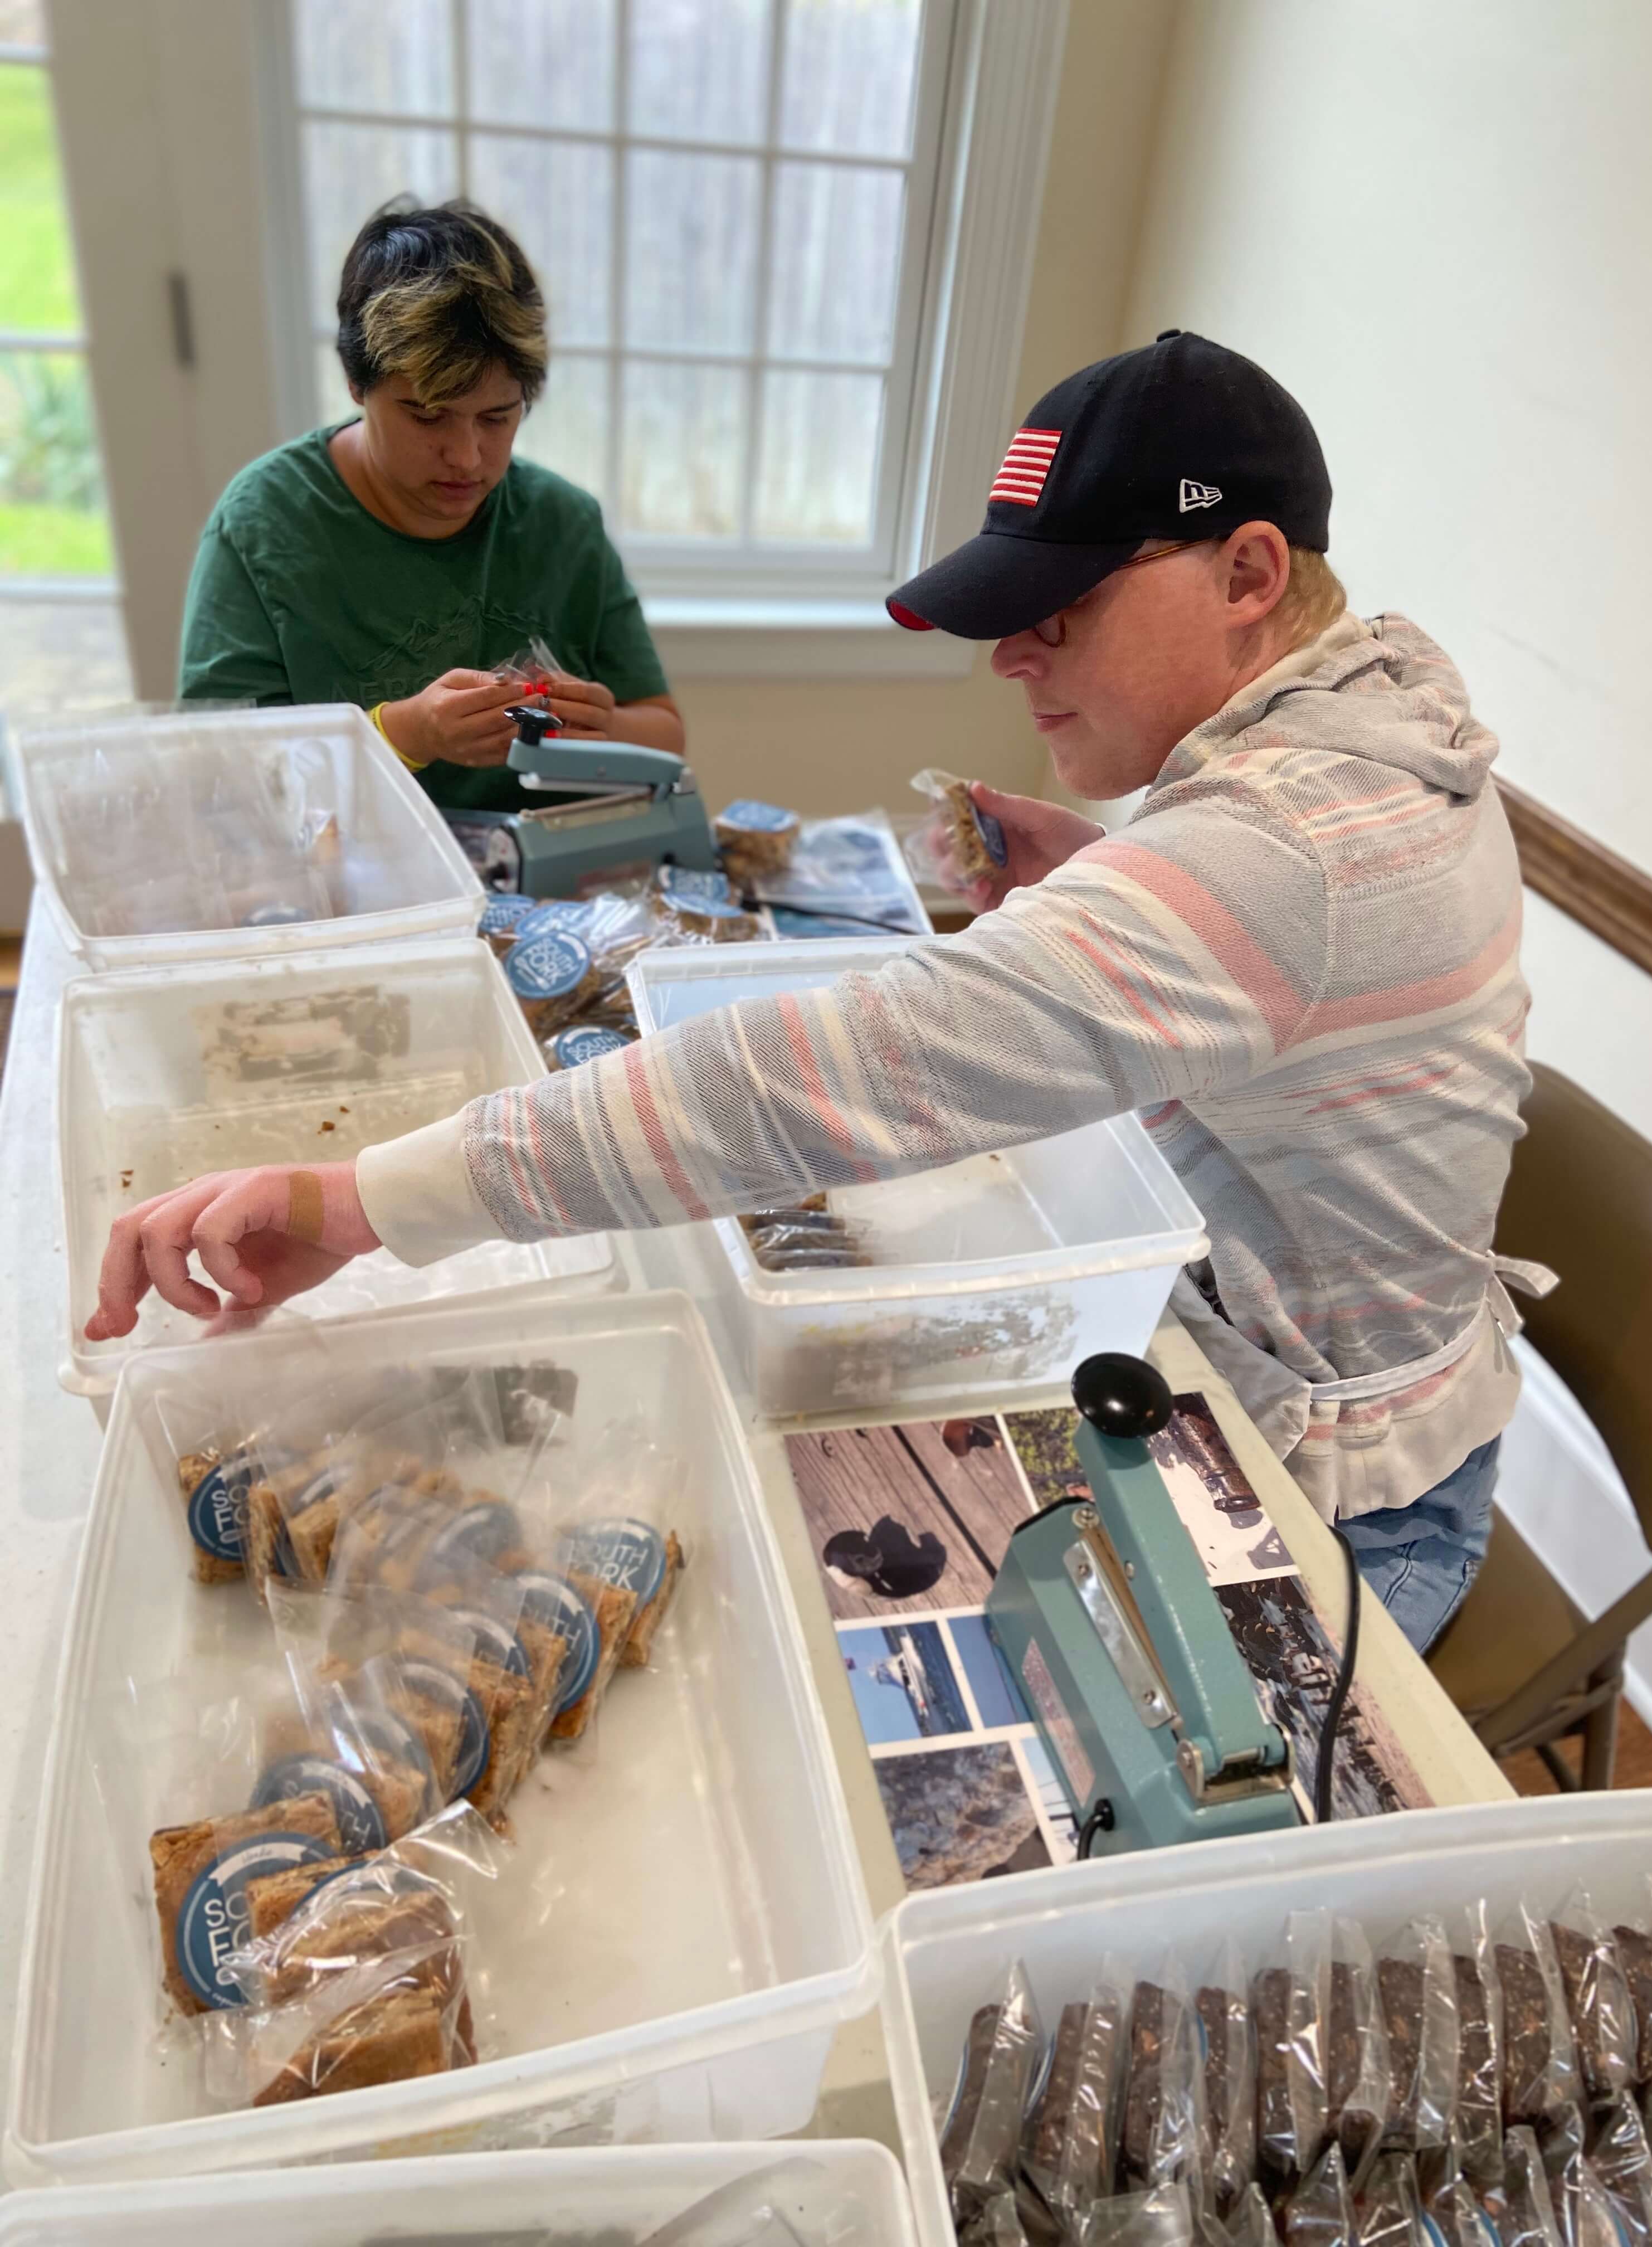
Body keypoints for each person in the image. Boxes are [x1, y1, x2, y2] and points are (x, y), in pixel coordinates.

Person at [98, 331, 1540, 1654]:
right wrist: (1110, 878)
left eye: (1065, 608)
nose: (1011, 655)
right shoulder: (1363, 730)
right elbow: (1292, 963)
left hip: (1350, 1498)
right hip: (1238, 1344)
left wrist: (360, 1202)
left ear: (1249, 574)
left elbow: (840, 1071)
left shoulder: (1287, 851)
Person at [178, 200, 682, 810]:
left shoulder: (564, 523)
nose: (467, 458)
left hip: (545, 860)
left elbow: (664, 733)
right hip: (350, 865)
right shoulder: (263, 526)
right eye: (427, 416)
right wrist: (405, 734)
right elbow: (221, 775)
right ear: (356, 384)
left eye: (497, 417)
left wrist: (603, 728)